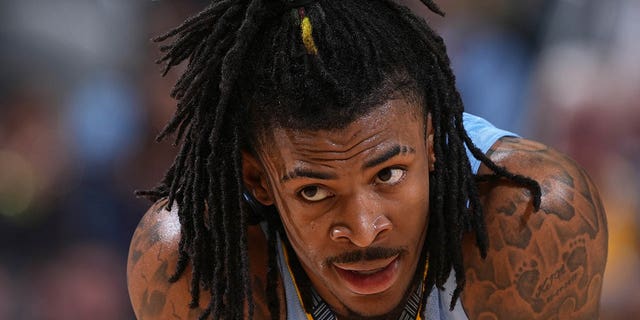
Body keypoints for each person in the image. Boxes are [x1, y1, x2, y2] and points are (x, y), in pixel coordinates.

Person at [126, 0, 608, 319]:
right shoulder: (191, 263)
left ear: (435, 142)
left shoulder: (531, 221)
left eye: (389, 174)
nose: (362, 228)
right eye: (313, 191)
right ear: (258, 180)